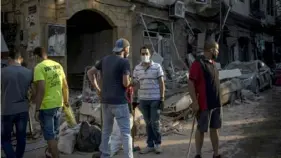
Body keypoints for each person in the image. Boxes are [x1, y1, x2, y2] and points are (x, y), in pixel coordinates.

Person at [87, 38, 133, 158]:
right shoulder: (124, 62)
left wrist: (98, 89)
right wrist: (132, 82)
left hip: (105, 101)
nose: (128, 51)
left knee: (106, 131)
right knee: (126, 133)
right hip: (119, 102)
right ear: (125, 49)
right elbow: (125, 83)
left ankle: (105, 155)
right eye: (128, 48)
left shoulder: (105, 59)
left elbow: (90, 73)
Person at [33, 47, 69, 158]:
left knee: (49, 136)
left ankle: (54, 155)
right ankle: (50, 152)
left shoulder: (39, 67)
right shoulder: (58, 65)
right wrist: (66, 101)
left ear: (36, 56)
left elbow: (41, 89)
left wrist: (37, 109)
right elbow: (65, 86)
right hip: (58, 104)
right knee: (55, 133)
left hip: (46, 106)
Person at [188, 40, 222, 158]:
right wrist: (195, 102)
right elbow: (191, 83)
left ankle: (216, 154)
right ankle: (198, 154)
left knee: (215, 128)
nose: (218, 52)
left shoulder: (213, 63)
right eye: (216, 49)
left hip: (215, 103)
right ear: (211, 50)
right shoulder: (198, 63)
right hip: (204, 104)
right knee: (201, 129)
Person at [132, 47, 165, 154]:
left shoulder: (157, 67)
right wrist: (134, 98)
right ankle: (150, 145)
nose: (144, 55)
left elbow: (161, 83)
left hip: (155, 99)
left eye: (146, 53)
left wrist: (162, 98)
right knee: (148, 123)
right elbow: (135, 85)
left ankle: (158, 144)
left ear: (150, 54)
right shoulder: (137, 68)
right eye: (142, 53)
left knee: (155, 123)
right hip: (143, 100)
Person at [1, 51, 33, 158]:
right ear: (20, 59)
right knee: (21, 137)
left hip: (8, 109)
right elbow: (33, 91)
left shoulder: (2, 72)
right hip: (23, 109)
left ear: (9, 59)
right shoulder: (29, 72)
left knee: (5, 139)